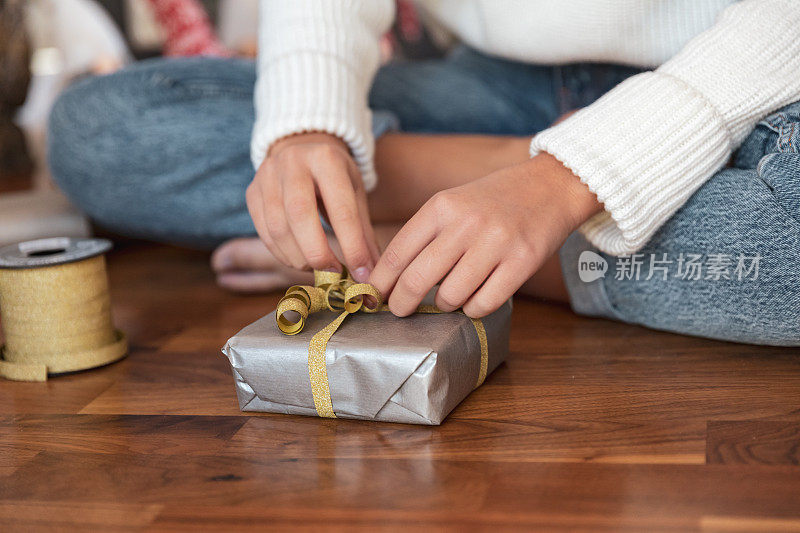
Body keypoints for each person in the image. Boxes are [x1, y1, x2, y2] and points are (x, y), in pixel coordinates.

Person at [48, 0, 800, 345]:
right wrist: (307, 123)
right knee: (98, 128)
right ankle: (483, 195)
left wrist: (566, 179)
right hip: (495, 89)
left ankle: (428, 239)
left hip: (747, 88)